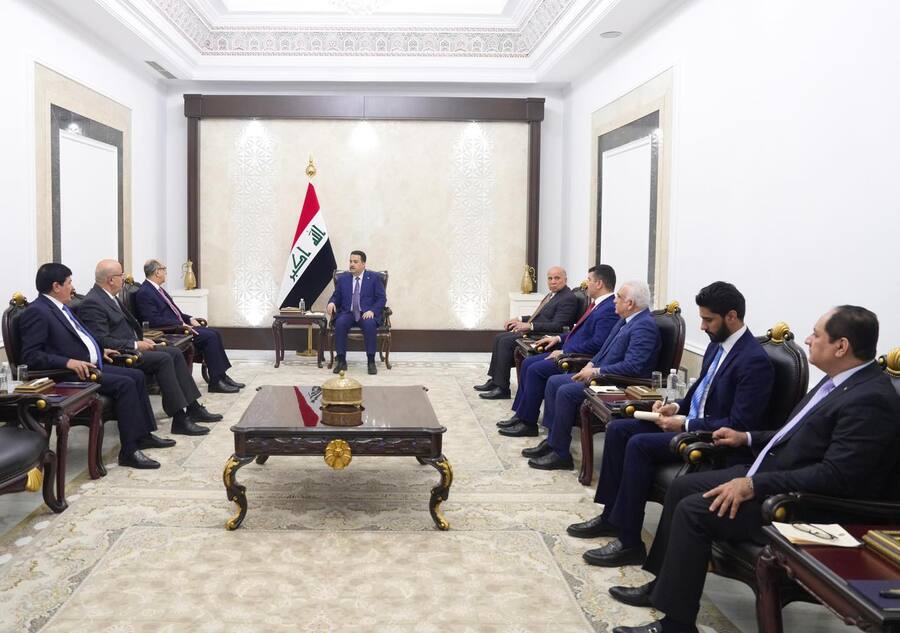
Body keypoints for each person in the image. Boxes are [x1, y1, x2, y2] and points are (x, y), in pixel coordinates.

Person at [607, 305, 900, 633]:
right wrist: (745, 437)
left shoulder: (869, 399)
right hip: (773, 476)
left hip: (803, 505)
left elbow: (836, 477)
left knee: (694, 511)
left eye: (816, 335)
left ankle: (676, 625)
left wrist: (753, 486)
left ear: (841, 346)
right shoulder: (839, 382)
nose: (808, 339)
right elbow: (792, 435)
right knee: (681, 487)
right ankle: (662, 587)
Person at [568, 281, 774, 567]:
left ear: (731, 316)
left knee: (639, 444)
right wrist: (675, 407)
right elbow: (701, 391)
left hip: (712, 439)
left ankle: (629, 542)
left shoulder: (753, 361)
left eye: (708, 320)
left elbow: (740, 424)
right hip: (691, 421)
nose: (702, 327)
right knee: (618, 428)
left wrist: (685, 424)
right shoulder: (717, 346)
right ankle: (611, 516)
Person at [19, 263, 176, 470]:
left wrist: (99, 351)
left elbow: (76, 339)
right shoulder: (37, 311)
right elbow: (31, 356)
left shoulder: (60, 307)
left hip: (90, 364)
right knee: (125, 383)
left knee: (136, 375)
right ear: (56, 286)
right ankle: (129, 451)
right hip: (69, 374)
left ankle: (143, 435)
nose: (72, 287)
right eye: (69, 282)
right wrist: (68, 362)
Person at [524, 281, 661, 470]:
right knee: (554, 382)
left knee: (565, 391)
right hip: (603, 375)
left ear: (630, 303)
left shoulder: (644, 326)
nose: (614, 300)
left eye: (618, 297)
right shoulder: (625, 319)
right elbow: (604, 349)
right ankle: (553, 440)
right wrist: (590, 364)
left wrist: (597, 371)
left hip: (620, 384)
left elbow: (633, 367)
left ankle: (561, 455)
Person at [78, 259, 222, 436]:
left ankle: (193, 407)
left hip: (132, 346)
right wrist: (135, 344)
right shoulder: (93, 303)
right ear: (111, 280)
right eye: (121, 275)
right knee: (164, 359)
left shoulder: (109, 297)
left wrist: (141, 339)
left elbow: (125, 328)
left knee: (175, 353)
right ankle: (179, 418)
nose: (124, 278)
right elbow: (102, 341)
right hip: (120, 355)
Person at [498, 264, 619, 437]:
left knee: (535, 369)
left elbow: (597, 344)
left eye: (589, 280)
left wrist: (565, 351)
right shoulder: (598, 305)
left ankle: (528, 423)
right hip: (568, 349)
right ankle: (522, 415)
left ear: (599, 283)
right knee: (528, 363)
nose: (587, 283)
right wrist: (559, 339)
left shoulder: (608, 309)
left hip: (578, 359)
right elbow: (579, 331)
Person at [134, 259, 244, 394]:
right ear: (157, 272)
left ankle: (221, 376)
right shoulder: (145, 292)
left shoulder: (158, 289)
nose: (166, 272)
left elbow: (176, 313)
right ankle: (216, 382)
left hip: (180, 327)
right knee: (210, 336)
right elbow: (152, 320)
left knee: (214, 333)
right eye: (164, 269)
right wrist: (181, 324)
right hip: (171, 332)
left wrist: (189, 319)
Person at [475, 266, 579, 400]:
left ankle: (502, 388)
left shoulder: (567, 298)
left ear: (565, 279)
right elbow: (539, 316)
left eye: (557, 278)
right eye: (550, 278)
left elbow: (558, 326)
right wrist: (519, 319)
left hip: (546, 336)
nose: (553, 281)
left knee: (505, 341)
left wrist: (530, 326)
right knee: (499, 337)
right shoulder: (552, 295)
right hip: (538, 330)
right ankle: (495, 380)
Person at [326, 250, 387, 375]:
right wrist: (331, 303)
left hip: (366, 313)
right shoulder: (343, 278)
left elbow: (382, 298)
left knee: (369, 324)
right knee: (340, 323)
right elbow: (336, 296)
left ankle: (371, 362)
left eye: (355, 262)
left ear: (363, 264)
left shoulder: (374, 278)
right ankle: (341, 361)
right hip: (348, 313)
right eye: (350, 261)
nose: (351, 264)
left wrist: (372, 311)